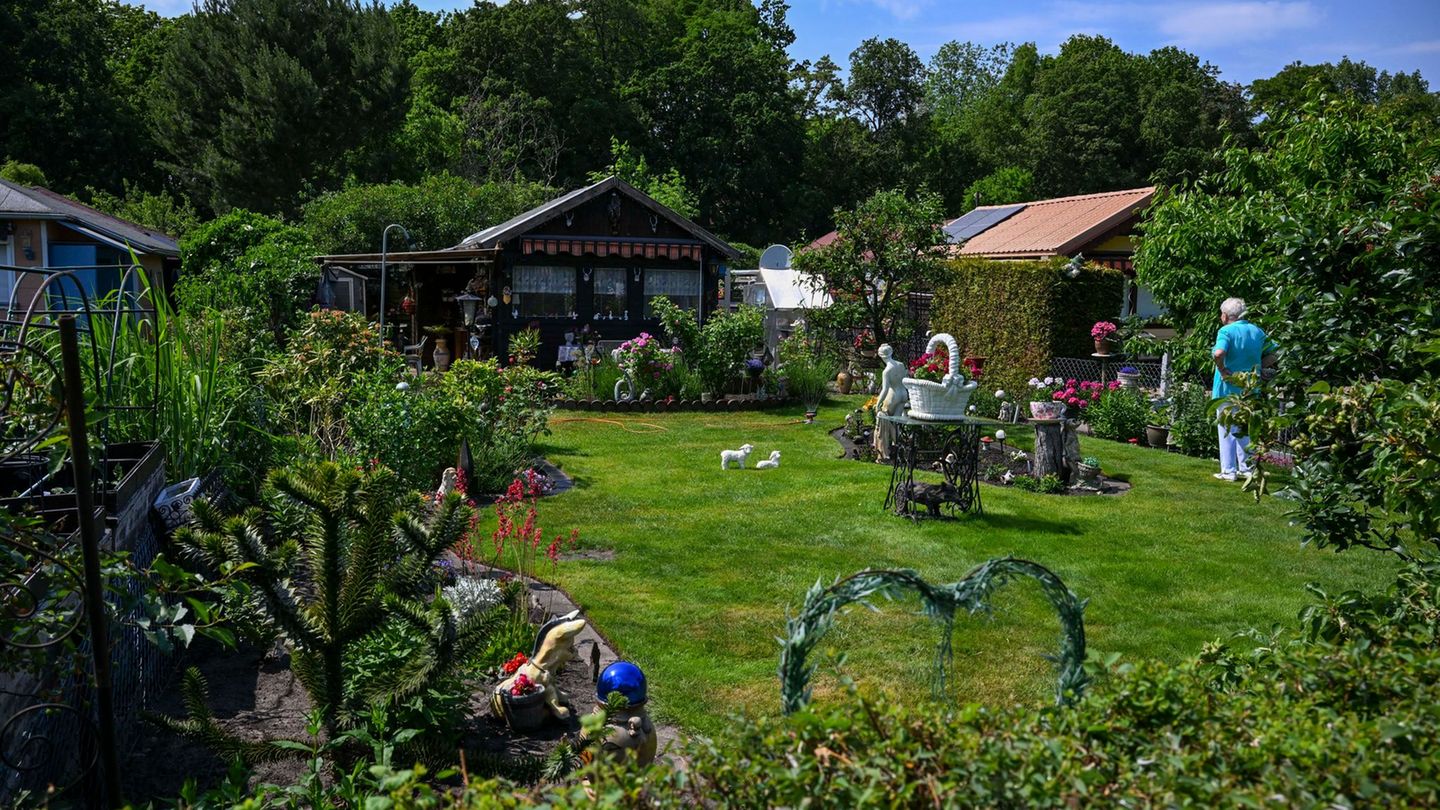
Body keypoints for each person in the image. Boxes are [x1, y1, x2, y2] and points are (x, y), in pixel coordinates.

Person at [1211, 297, 1276, 481]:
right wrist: (1259, 367)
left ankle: (1228, 471)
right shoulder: (1257, 331)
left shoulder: (1226, 331)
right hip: (1250, 388)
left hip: (1226, 388)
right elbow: (1275, 352)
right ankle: (1246, 469)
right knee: (1244, 429)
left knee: (1225, 429)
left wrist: (1222, 369)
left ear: (1225, 316)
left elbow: (1219, 353)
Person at [872, 343, 909, 461]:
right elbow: (906, 378)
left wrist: (878, 403)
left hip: (894, 396)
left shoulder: (887, 371)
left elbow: (885, 389)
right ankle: (899, 449)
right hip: (904, 394)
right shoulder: (901, 365)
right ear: (891, 352)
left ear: (881, 356)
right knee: (896, 424)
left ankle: (885, 451)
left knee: (885, 420)